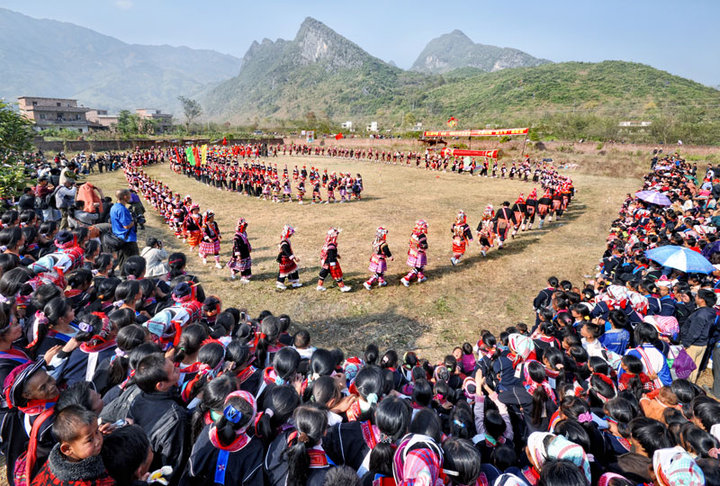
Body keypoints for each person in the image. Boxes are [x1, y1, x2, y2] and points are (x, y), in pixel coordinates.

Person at [30, 405, 114, 486]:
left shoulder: (65, 456)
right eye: (90, 440)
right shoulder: (83, 482)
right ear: (67, 449)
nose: (98, 440)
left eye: (97, 431)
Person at [110, 189, 138, 270]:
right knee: (134, 261)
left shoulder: (114, 206)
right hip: (127, 239)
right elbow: (126, 226)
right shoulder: (122, 209)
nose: (130, 197)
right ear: (125, 197)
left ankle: (124, 276)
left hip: (119, 237)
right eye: (129, 195)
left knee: (122, 261)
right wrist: (134, 221)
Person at [317, 227, 351, 292]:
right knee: (337, 274)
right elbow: (331, 255)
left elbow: (328, 253)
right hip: (331, 263)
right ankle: (342, 287)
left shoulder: (327, 243)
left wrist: (337, 254)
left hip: (325, 262)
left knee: (323, 274)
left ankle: (319, 286)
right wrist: (333, 264)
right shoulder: (331, 245)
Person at [401, 220, 428, 287]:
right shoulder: (422, 236)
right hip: (419, 253)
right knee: (418, 267)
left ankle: (420, 277)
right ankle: (406, 278)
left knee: (420, 266)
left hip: (413, 251)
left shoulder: (413, 233)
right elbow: (425, 245)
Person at [276, 225, 301, 291]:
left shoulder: (286, 240)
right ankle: (280, 284)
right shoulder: (284, 243)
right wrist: (294, 258)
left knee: (293, 269)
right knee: (283, 272)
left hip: (288, 259)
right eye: (290, 234)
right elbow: (287, 252)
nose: (291, 235)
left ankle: (295, 282)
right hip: (285, 260)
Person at [227, 218, 252, 283]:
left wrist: (249, 247)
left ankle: (243, 274)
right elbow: (236, 247)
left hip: (245, 252)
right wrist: (238, 255)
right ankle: (243, 278)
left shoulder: (244, 233)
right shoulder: (236, 237)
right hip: (240, 253)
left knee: (246, 264)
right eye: (244, 227)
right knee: (241, 265)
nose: (245, 229)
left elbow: (246, 241)